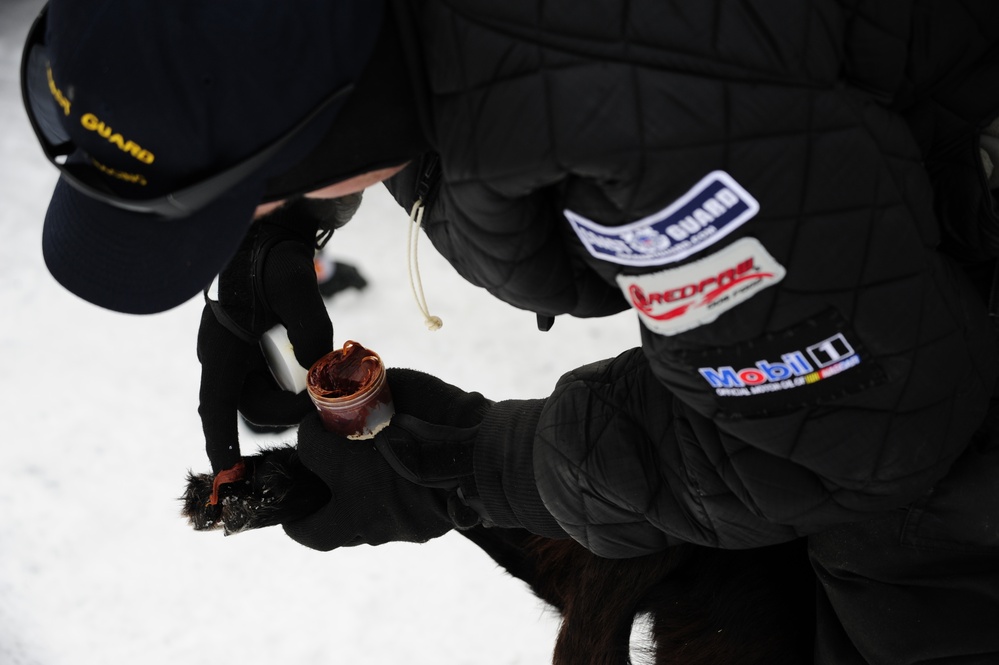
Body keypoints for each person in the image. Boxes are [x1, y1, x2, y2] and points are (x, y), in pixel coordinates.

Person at [21, 0, 999, 662]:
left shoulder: (629, 103)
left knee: (901, 570)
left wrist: (472, 468)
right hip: (871, 253)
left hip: (931, 345)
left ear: (343, 127)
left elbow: (867, 431)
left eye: (248, 193)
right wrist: (280, 218)